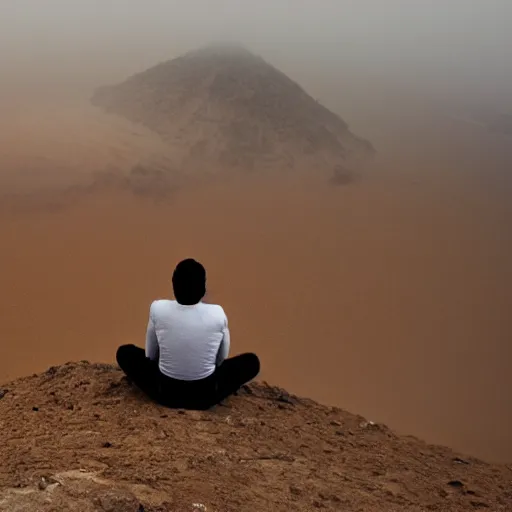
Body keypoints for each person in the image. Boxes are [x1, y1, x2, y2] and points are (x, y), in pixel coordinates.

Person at [116, 258, 260, 409]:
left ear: (173, 285)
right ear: (203, 289)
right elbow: (220, 360)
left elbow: (151, 356)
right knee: (251, 362)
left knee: (125, 352)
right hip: (206, 396)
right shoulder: (218, 313)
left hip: (165, 393)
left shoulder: (158, 309)